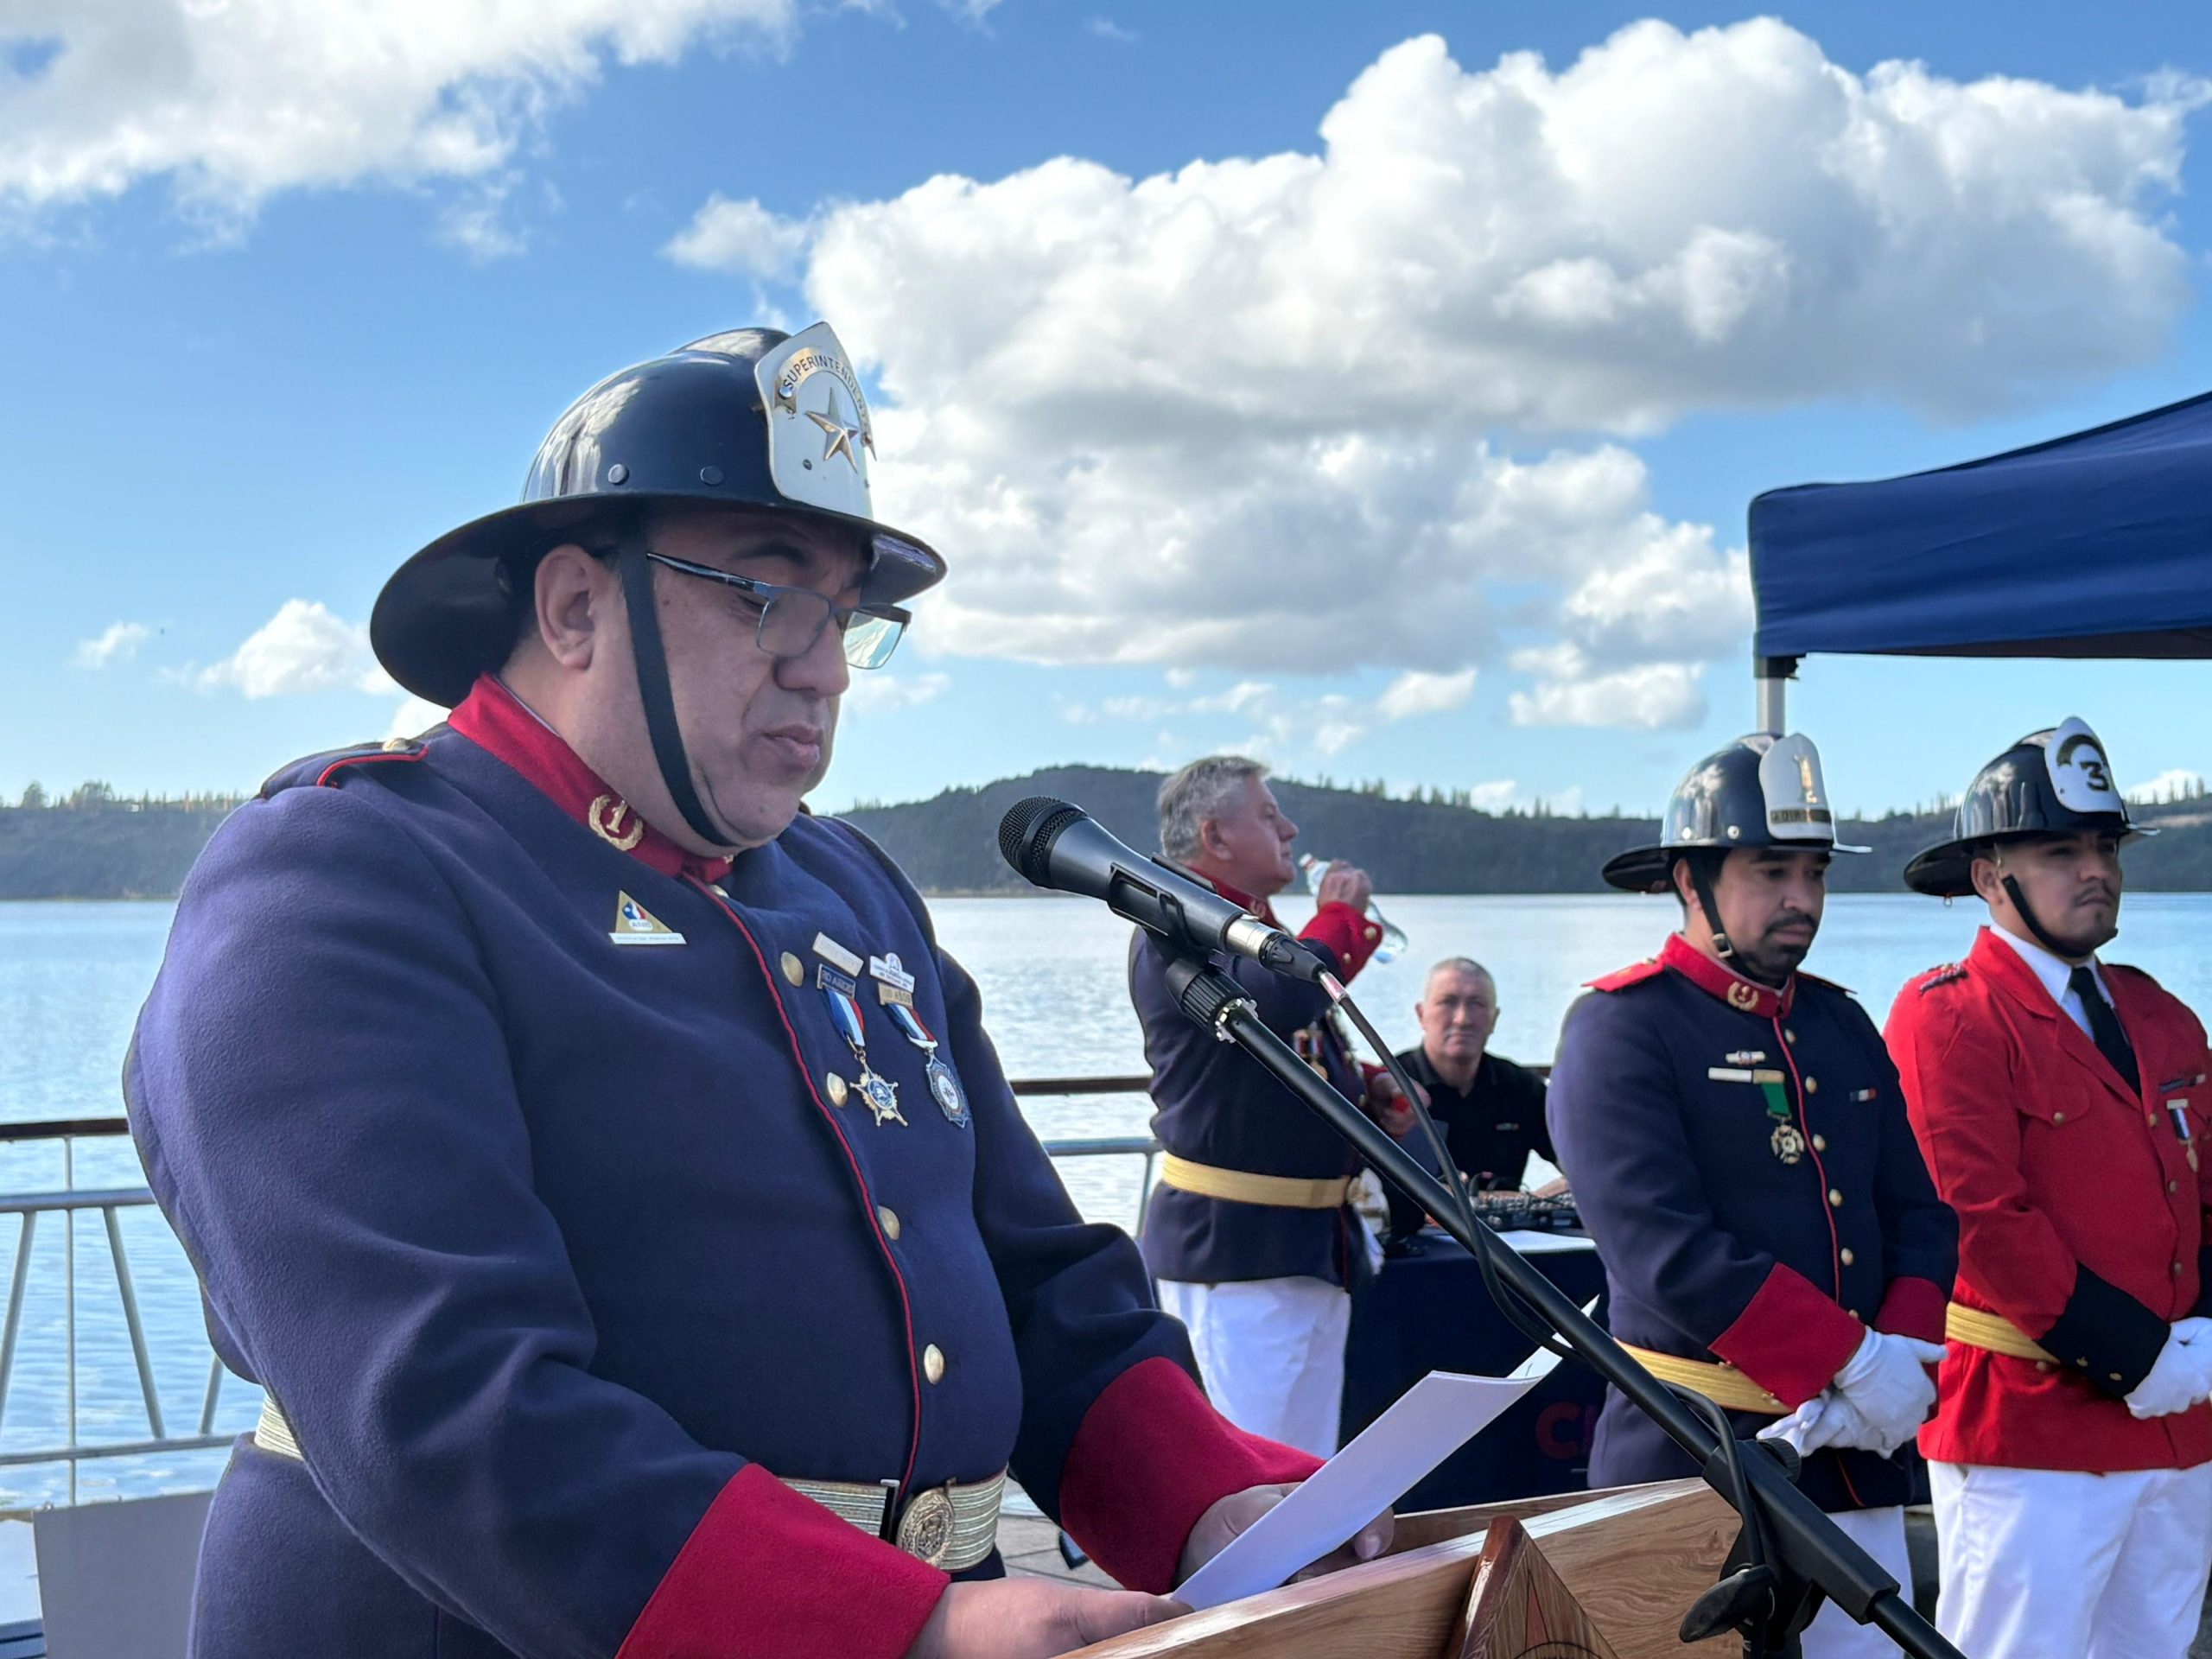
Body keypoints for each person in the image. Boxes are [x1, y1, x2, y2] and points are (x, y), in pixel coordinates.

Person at [124, 324, 1387, 1659]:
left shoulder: (845, 887)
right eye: (763, 597)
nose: (826, 668)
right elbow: (438, 1408)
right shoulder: (344, 870)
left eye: (846, 618)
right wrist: (900, 1632)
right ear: (571, 607)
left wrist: (1215, 1511)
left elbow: (1027, 1275)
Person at [1547, 732, 1955, 1659]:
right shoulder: (1619, 1030)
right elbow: (1661, 1248)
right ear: (1691, 880)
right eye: (1772, 871)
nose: (1802, 900)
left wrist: (1900, 1354)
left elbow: (1919, 1213)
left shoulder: (1838, 1021)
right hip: (1694, 1463)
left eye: (1814, 873)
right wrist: (1848, 1358)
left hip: (1856, 1462)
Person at [1885, 717, 2212, 1659]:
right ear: (1990, 877)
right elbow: (1979, 1222)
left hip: (2180, 1429)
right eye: (2059, 850)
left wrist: (2200, 1342)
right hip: (2029, 1430)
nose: (2094, 869)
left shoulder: (2159, 1012)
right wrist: (2142, 1359)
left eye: (2104, 847)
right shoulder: (1947, 1015)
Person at [1131, 756, 1404, 1457]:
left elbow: (1287, 1051)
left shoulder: (1243, 924)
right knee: (1254, 1479)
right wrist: (1339, 918)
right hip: (1238, 1253)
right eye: (1269, 814)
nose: (1291, 828)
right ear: (1215, 837)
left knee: (1302, 1475)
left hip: (1307, 1246)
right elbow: (1275, 1001)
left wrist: (1366, 1093)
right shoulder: (1174, 920)